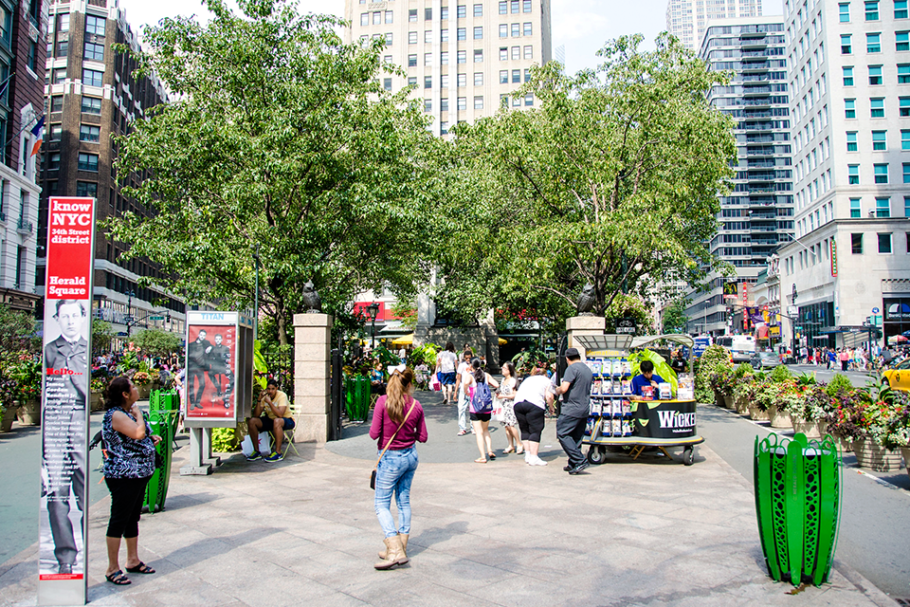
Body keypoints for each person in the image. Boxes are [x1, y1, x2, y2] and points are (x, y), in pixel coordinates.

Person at [42, 299, 90, 576]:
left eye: (75, 315)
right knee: (57, 493)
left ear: (82, 317)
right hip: (56, 422)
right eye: (65, 316)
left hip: (80, 420)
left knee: (83, 491)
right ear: (58, 319)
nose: (70, 321)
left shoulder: (86, 350)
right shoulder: (50, 351)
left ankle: (88, 547)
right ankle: (65, 557)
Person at [101, 376, 161, 585]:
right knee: (119, 519)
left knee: (132, 517)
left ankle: (133, 560)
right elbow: (137, 432)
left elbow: (133, 438)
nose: (136, 389)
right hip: (123, 476)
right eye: (133, 387)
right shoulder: (117, 414)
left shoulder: (125, 412)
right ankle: (112, 567)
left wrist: (149, 439)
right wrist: (139, 416)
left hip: (137, 475)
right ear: (125, 394)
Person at [369, 368, 427, 570]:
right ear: (409, 384)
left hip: (390, 457)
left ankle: (393, 547)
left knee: (381, 504)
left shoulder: (382, 402)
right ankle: (401, 546)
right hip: (410, 456)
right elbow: (423, 437)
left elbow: (374, 433)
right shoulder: (416, 405)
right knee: (403, 501)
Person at [552, 348, 593, 475]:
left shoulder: (572, 369)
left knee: (562, 433)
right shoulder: (587, 369)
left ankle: (580, 460)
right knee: (576, 437)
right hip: (584, 407)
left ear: (567, 358)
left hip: (571, 408)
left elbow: (564, 388)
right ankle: (573, 463)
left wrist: (557, 390)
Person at [513, 365, 555, 466]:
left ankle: (527, 455)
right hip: (534, 404)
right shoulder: (547, 381)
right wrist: (551, 407)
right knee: (535, 430)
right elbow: (549, 396)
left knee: (525, 429)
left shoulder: (528, 379)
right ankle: (534, 457)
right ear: (545, 374)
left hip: (518, 404)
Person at [246, 379, 295, 462]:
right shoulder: (265, 397)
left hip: (286, 420)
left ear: (276, 388)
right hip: (271, 420)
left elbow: (280, 414)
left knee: (277, 421)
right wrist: (259, 400)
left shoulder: (282, 396)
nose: (270, 391)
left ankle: (278, 452)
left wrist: (270, 403)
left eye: (272, 389)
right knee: (252, 421)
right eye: (268, 389)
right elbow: (256, 415)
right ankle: (257, 451)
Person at [463, 358, 500, 463]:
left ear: (471, 366)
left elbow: (465, 384)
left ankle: (483, 457)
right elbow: (497, 385)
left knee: (478, 432)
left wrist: (467, 392)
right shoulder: (486, 375)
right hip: (486, 407)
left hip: (475, 408)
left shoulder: (470, 376)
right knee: (486, 430)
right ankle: (490, 450)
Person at [496, 362, 522, 455]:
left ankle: (519, 443)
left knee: (511, 425)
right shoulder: (503, 380)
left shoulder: (513, 381)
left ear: (509, 370)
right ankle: (510, 445)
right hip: (503, 405)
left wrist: (503, 396)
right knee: (506, 426)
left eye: (504, 368)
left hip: (510, 404)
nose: (502, 369)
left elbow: (514, 395)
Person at [187, 329, 213, 411]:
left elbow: (212, 348)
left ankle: (197, 401)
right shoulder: (191, 345)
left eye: (204, 335)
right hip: (192, 367)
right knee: (191, 385)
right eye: (201, 335)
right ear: (198, 335)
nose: (202, 337)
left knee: (202, 384)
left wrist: (210, 349)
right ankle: (192, 403)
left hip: (200, 367)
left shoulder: (206, 343)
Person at [453, 350, 474, 436]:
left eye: (469, 358)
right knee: (461, 408)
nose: (468, 360)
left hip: (473, 389)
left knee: (473, 409)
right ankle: (462, 428)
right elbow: (458, 379)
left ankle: (474, 427)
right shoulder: (461, 366)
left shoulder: (475, 364)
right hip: (463, 389)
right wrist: (455, 392)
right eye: (466, 358)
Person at [207, 333, 230, 407]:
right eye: (216, 339)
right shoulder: (212, 348)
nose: (218, 341)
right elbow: (207, 356)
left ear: (221, 340)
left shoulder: (225, 348)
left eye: (219, 339)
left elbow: (228, 358)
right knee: (210, 373)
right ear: (214, 340)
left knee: (232, 377)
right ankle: (218, 387)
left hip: (223, 366)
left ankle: (226, 397)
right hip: (215, 367)